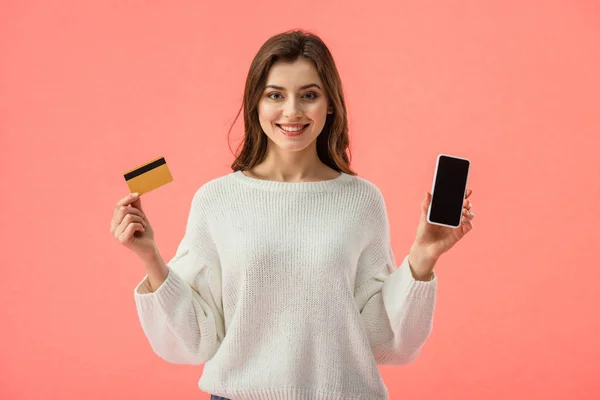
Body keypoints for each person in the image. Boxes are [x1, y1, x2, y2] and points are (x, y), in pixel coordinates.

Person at [110, 29, 475, 400]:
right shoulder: (216, 200)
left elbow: (381, 340)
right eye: (275, 95)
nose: (292, 111)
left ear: (330, 103)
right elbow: (196, 339)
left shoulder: (362, 201)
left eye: (309, 95)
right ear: (256, 103)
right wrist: (149, 255)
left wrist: (423, 257)